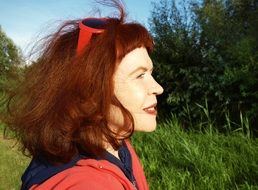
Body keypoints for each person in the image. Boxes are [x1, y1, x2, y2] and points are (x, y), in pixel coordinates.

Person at [2, 0, 163, 189]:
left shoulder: (116, 140)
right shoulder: (87, 184)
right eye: (139, 75)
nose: (158, 88)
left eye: (150, 73)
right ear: (90, 89)